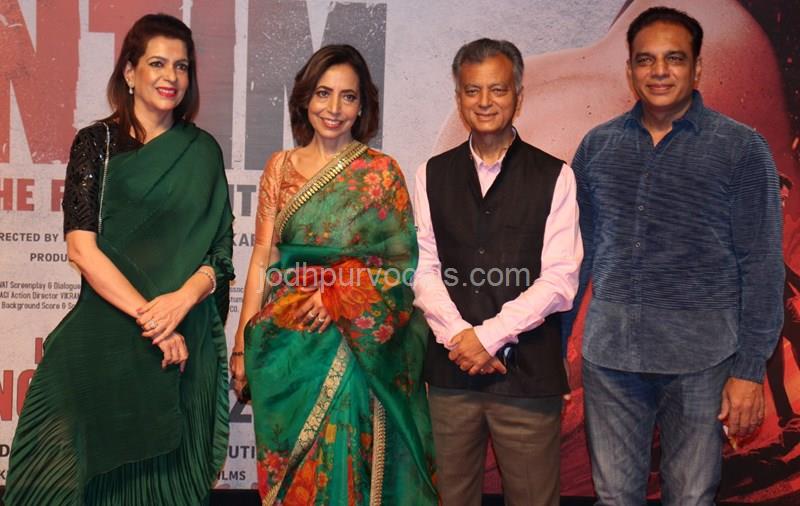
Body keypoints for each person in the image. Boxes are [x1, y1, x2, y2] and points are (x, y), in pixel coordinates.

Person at [3, 13, 234, 505]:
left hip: (181, 349)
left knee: (161, 486)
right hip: (105, 340)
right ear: (130, 72)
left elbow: (220, 252)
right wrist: (155, 321)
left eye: (181, 66)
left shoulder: (203, 152)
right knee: (61, 482)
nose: (171, 76)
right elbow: (81, 248)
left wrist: (180, 302)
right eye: (157, 63)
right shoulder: (96, 144)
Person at [566, 6, 783, 505]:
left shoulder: (741, 148)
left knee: (690, 498)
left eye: (674, 58)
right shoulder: (597, 147)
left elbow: (761, 265)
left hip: (702, 363)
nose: (659, 71)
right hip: (611, 361)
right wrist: (552, 348)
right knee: (614, 498)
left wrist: (750, 370)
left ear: (697, 68)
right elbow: (575, 258)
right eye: (646, 59)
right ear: (630, 70)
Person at [230, 44, 438, 505]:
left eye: (348, 96)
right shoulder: (279, 168)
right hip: (287, 343)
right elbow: (263, 256)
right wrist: (242, 342)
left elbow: (399, 267)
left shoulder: (382, 172)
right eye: (324, 93)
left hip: (353, 347)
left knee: (347, 461)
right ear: (306, 98)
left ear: (362, 106)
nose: (334, 108)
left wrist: (339, 297)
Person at [412, 38, 582, 506]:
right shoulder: (431, 174)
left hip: (527, 379)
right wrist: (459, 337)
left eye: (498, 89)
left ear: (518, 96)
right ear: (459, 98)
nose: (485, 102)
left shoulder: (555, 175)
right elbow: (424, 267)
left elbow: (560, 279)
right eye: (473, 90)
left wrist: (487, 338)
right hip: (451, 376)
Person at [766, 174, 800, 428]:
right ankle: (785, 416)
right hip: (764, 306)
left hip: (781, 299)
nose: (782, 205)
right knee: (774, 362)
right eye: (779, 199)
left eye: (785, 200)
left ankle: (786, 416)